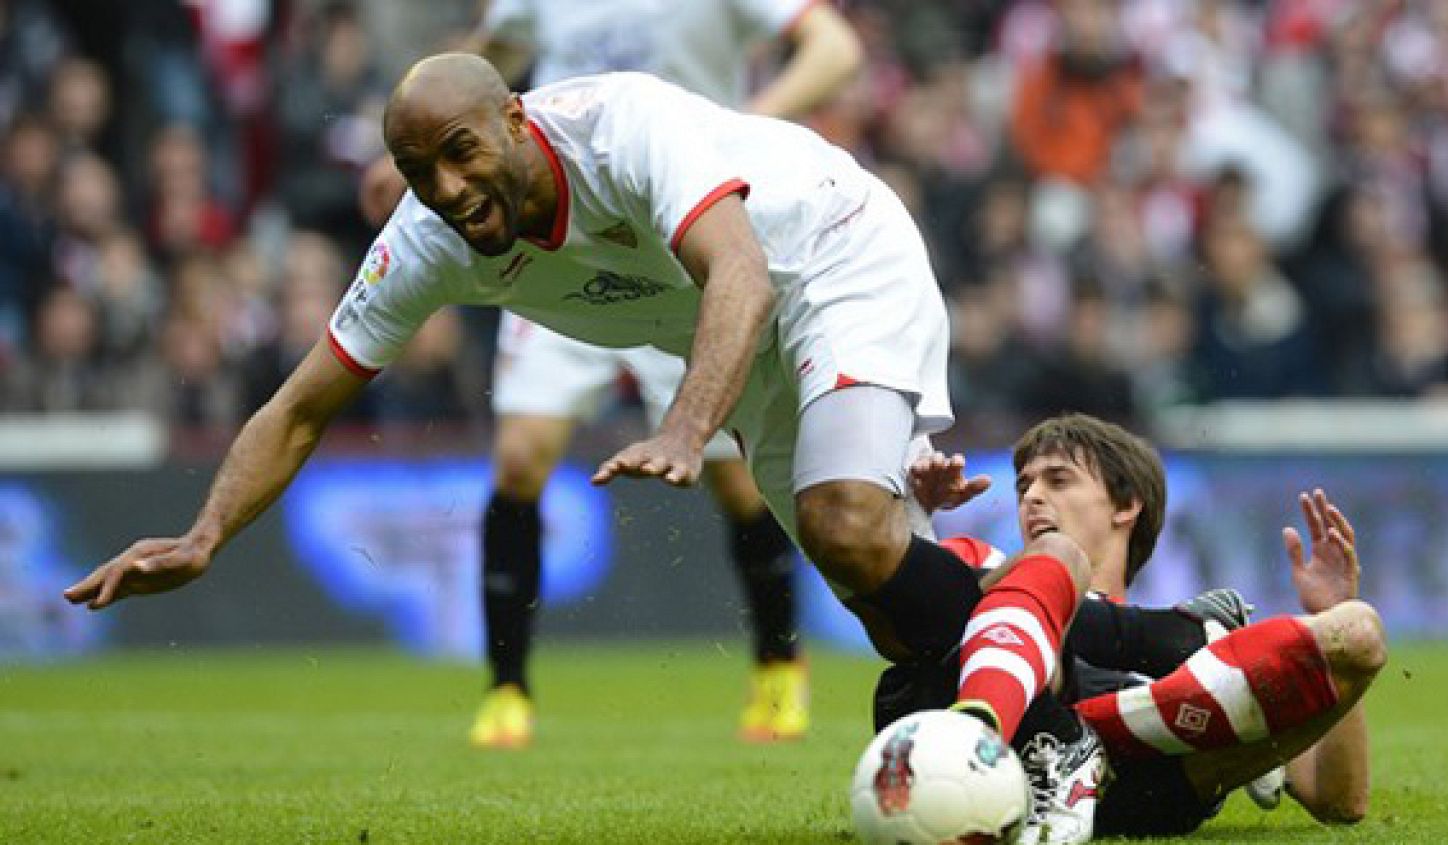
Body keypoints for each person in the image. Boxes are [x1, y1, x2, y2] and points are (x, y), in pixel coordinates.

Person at [64, 54, 1104, 841]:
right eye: (417, 171)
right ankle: (1137, 664)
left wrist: (688, 428)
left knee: (843, 525)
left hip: (832, 257)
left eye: (462, 151)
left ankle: (1061, 742)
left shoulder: (623, 129)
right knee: (884, 599)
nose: (448, 187)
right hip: (749, 328)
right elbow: (298, 406)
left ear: (515, 122)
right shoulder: (428, 242)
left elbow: (735, 270)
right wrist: (204, 534)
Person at [360, 0, 863, 750]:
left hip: (678, 238)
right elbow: (481, 57)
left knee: (733, 476)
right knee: (521, 455)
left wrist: (749, 123)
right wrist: (423, 151)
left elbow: (836, 50)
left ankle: (778, 666)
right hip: (553, 241)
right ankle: (506, 690)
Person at [877, 413, 1387, 838]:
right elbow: (910, 624)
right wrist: (915, 524)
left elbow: (1338, 799)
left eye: (1057, 480)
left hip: (1145, 791)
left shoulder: (1203, 651)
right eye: (1024, 485)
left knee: (1358, 630)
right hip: (989, 750)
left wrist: (1328, 611)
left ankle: (1097, 735)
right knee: (1053, 574)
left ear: (1126, 506)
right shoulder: (981, 561)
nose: (1031, 497)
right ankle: (1130, 718)